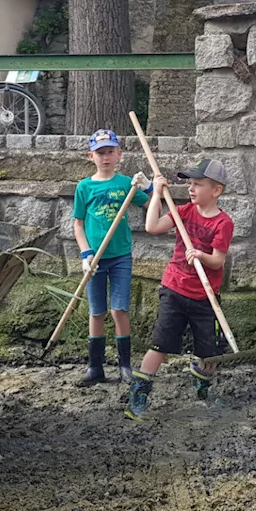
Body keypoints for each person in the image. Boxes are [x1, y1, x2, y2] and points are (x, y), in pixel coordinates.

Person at [126, 159, 235, 421]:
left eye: (198, 184)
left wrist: (200, 255)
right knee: (160, 343)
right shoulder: (184, 212)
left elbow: (218, 260)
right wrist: (155, 194)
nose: (191, 188)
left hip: (205, 296)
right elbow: (153, 227)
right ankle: (139, 397)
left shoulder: (223, 223)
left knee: (211, 350)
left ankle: (202, 393)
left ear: (216, 191)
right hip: (174, 289)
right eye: (190, 183)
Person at [72, 129, 153, 386]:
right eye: (100, 153)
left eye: (110, 152)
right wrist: (85, 254)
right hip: (94, 260)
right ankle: (95, 368)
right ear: (90, 156)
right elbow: (78, 224)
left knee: (119, 309)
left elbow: (152, 206)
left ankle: (125, 367)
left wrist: (151, 188)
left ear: (119, 154)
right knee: (97, 312)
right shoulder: (84, 187)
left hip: (120, 257)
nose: (105, 157)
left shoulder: (125, 184)